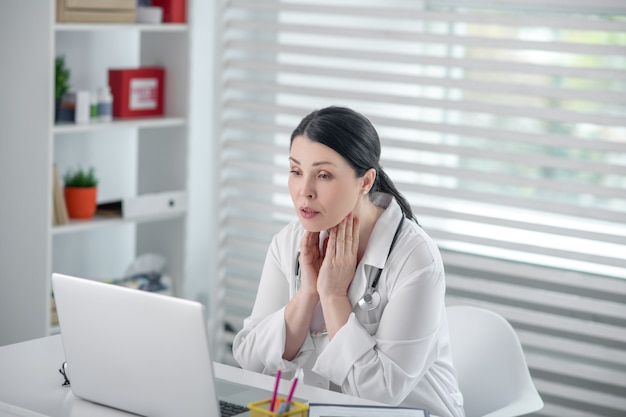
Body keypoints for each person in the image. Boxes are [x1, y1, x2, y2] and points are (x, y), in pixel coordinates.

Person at [232, 106, 465, 417]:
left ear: (366, 181)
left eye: (324, 175)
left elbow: (381, 393)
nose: (305, 191)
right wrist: (307, 295)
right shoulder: (289, 241)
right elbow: (250, 360)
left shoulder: (416, 259)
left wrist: (333, 297)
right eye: (296, 171)